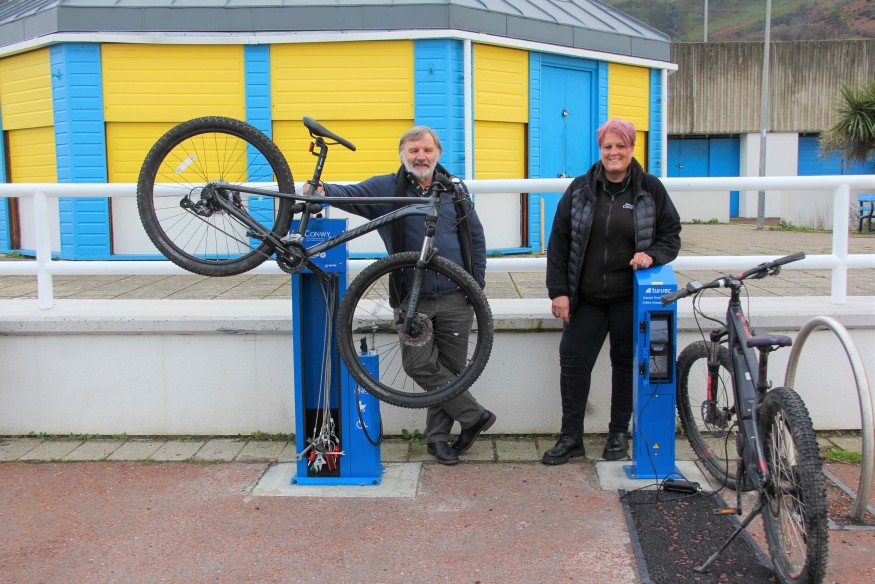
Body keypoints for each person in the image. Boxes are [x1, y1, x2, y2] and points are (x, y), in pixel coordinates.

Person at [307, 126, 496, 465]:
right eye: (413, 151)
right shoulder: (386, 188)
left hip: (458, 295)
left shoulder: (454, 189)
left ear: (437, 153)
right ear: (403, 155)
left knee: (450, 369)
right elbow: (351, 193)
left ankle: (439, 439)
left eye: (426, 150)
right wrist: (322, 190)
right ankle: (474, 417)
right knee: (419, 365)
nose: (420, 156)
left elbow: (476, 237)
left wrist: (475, 285)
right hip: (412, 299)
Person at [542, 118, 681, 465]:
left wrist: (652, 255)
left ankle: (618, 433)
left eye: (621, 146)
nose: (614, 152)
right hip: (585, 298)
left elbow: (671, 235)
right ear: (600, 150)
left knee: (625, 365)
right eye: (608, 146)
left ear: (632, 149)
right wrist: (558, 292)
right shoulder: (580, 189)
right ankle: (570, 437)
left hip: (628, 299)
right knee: (573, 364)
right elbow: (558, 243)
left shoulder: (650, 188)